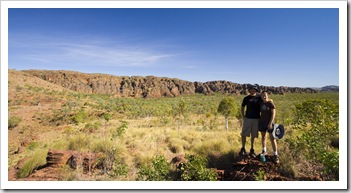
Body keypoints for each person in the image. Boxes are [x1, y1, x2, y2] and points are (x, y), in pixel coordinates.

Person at [239, 85, 262, 158]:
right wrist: (243, 117)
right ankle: (243, 148)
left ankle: (252, 149)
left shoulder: (259, 98)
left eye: (254, 89)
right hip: (247, 118)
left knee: (254, 135)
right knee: (244, 134)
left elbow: (265, 100)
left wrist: (270, 101)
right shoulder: (246, 98)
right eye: (252, 89)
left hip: (256, 119)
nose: (253, 90)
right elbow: (242, 107)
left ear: (256, 90)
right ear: (250, 90)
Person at [258, 91, 279, 163]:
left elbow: (273, 114)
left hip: (270, 123)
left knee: (272, 139)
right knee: (263, 137)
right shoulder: (261, 103)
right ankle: (264, 151)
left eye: (265, 95)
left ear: (267, 96)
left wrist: (270, 123)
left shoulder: (270, 103)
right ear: (261, 96)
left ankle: (276, 155)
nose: (264, 96)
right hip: (262, 122)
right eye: (263, 95)